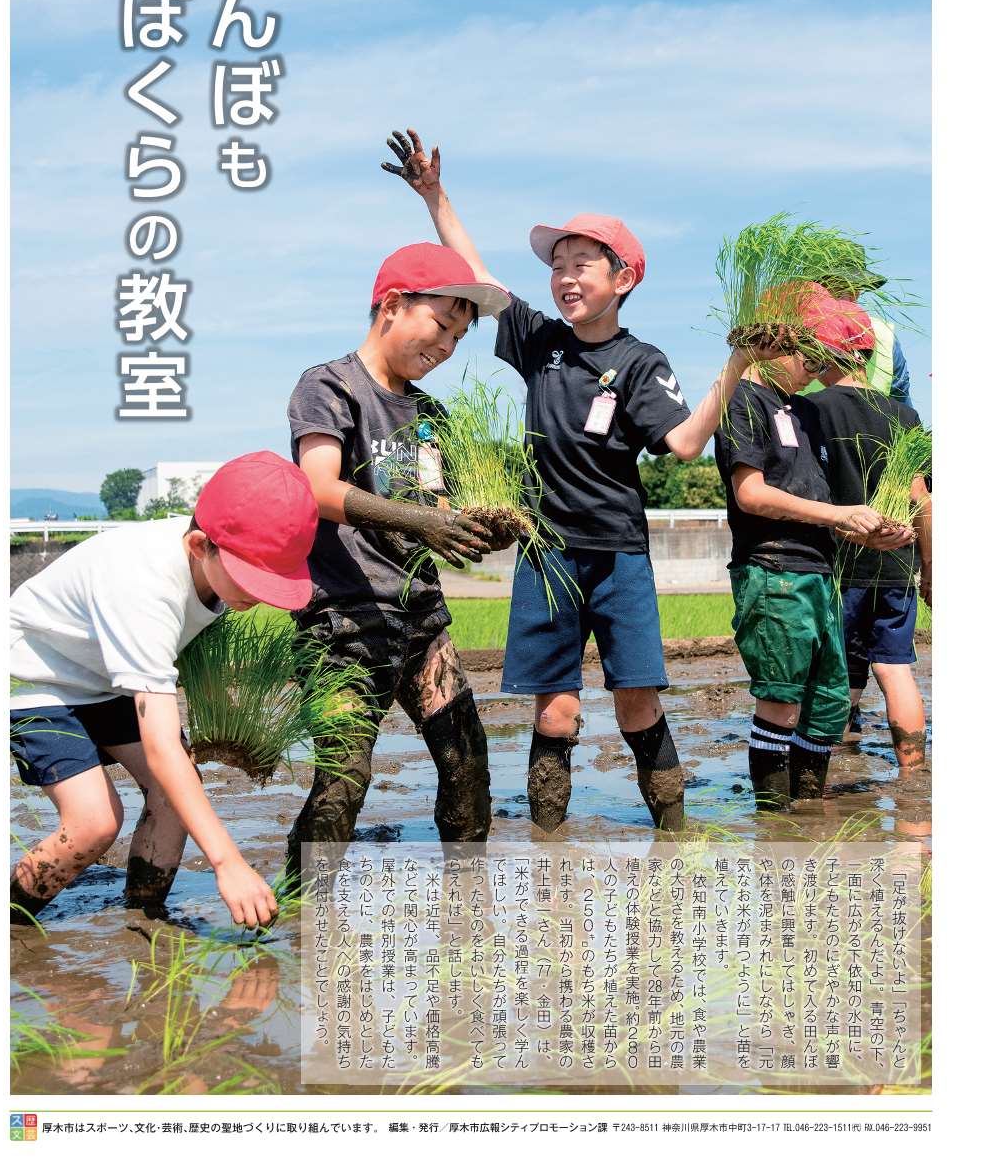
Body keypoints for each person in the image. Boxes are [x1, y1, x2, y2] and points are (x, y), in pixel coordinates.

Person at [381, 129, 787, 833]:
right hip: (547, 553)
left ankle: (674, 833)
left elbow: (685, 444)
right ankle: (549, 848)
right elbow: (478, 273)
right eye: (557, 265)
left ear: (623, 277)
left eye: (581, 264)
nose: (565, 276)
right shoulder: (542, 342)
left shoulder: (640, 362)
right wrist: (434, 194)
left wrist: (737, 363)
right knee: (555, 708)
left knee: (637, 699)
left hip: (618, 555)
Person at [10, 452, 317, 928]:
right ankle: (8, 923)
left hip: (106, 677)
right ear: (199, 545)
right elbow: (160, 748)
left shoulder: (214, 565)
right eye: (251, 579)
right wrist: (227, 862)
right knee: (94, 823)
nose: (257, 595)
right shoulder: (144, 586)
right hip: (36, 676)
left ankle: (144, 917)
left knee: (177, 793)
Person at [284, 241, 513, 866]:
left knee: (468, 760)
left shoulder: (429, 415)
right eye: (441, 325)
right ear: (391, 306)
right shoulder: (329, 387)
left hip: (420, 620)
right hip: (342, 620)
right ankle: (303, 924)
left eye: (459, 338)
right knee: (344, 779)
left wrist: (481, 529)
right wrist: (421, 519)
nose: (445, 347)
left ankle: (467, 910)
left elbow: (437, 509)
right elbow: (318, 488)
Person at [712, 289, 913, 809]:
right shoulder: (742, 400)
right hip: (775, 571)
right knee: (781, 700)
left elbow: (813, 502)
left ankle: (807, 814)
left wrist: (865, 532)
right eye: (808, 358)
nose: (812, 372)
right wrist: (838, 515)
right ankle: (776, 823)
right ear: (777, 341)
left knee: (825, 707)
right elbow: (751, 493)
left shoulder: (800, 410)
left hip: (820, 572)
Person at [807, 303, 932, 771]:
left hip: (839, 564)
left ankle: (838, 762)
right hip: (898, 566)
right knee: (895, 668)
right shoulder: (906, 414)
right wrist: (929, 568)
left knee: (838, 668)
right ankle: (914, 772)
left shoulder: (810, 410)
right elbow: (922, 498)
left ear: (824, 352)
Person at [799, 236, 912, 405]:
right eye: (836, 286)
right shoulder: (782, 336)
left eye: (853, 287)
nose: (852, 295)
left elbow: (904, 419)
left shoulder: (886, 339)